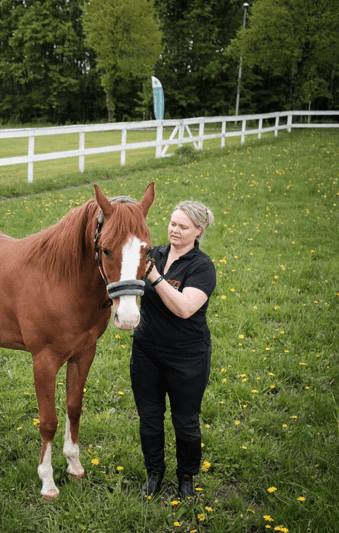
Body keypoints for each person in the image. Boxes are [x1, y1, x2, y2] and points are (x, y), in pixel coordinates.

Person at [131, 200, 216, 499]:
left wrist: (155, 277)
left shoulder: (202, 267)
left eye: (183, 226)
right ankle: (154, 472)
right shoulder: (155, 254)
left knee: (186, 420)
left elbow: (183, 308)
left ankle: (186, 477)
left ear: (198, 230)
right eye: (172, 223)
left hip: (187, 358)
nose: (174, 230)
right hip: (146, 353)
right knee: (150, 416)